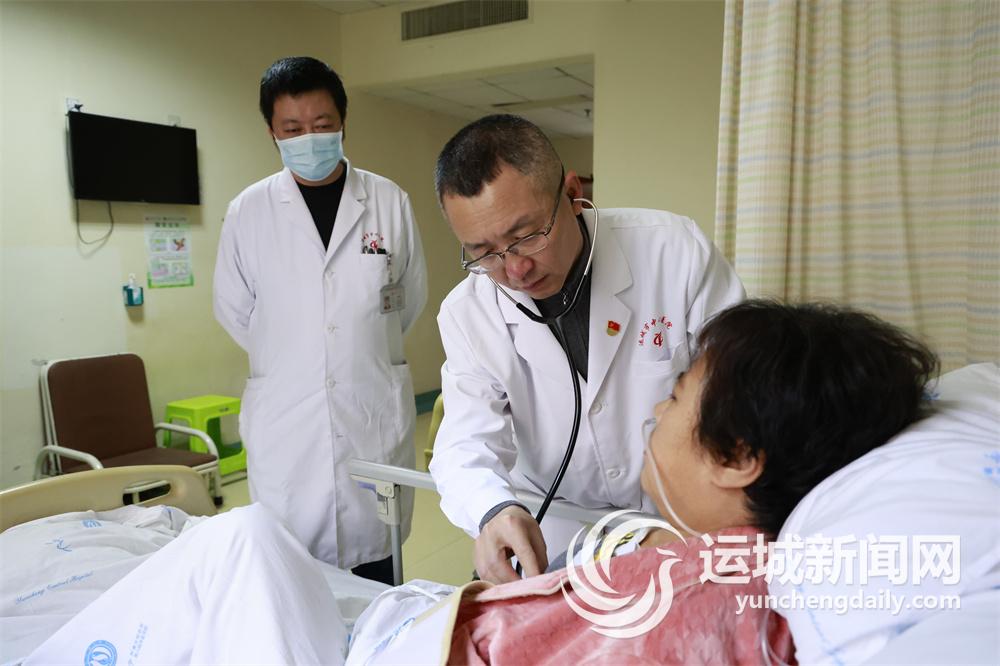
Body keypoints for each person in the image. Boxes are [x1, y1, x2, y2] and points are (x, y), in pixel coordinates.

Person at [26, 301, 949, 665]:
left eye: (675, 395)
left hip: (402, 646)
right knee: (243, 543)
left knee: (236, 539)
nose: (655, 411)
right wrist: (500, 509)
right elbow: (467, 429)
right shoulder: (731, 564)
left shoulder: (726, 598)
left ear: (740, 454)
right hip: (425, 617)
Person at [428, 114, 745, 583]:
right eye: (483, 252)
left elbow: (741, 394)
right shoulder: (468, 313)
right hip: (555, 530)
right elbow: (464, 441)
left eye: (526, 237)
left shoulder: (674, 253)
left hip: (675, 522)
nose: (514, 270)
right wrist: (493, 509)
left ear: (573, 194)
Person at [213, 56, 427, 583]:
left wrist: (353, 346)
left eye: (322, 124)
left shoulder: (388, 202)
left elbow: (409, 298)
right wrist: (300, 350)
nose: (309, 138)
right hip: (289, 429)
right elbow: (234, 310)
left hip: (369, 415)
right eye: (293, 129)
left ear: (343, 122)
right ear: (272, 132)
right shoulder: (248, 212)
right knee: (293, 583)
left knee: (379, 576)